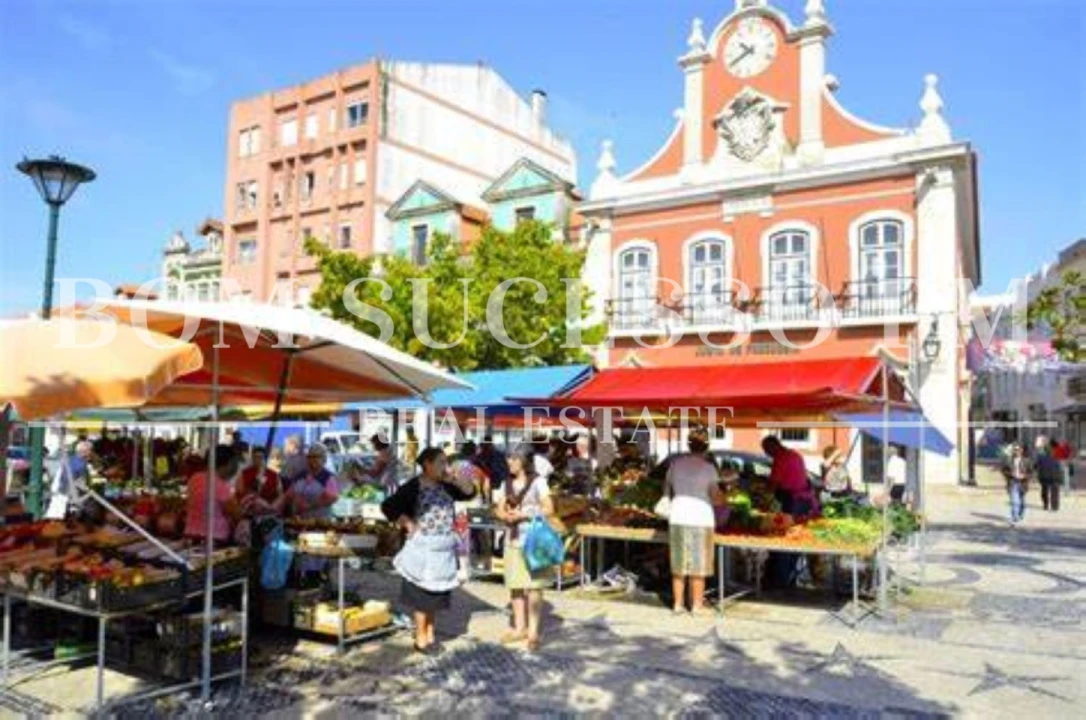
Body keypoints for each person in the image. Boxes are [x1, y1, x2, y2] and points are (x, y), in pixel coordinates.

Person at [381, 447, 477, 654]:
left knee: (436, 595)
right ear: (427, 464)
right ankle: (421, 638)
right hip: (422, 550)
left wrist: (458, 478)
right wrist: (406, 522)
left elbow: (470, 493)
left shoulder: (447, 486)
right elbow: (388, 506)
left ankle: (430, 631)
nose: (445, 466)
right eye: (441, 462)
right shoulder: (413, 487)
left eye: (446, 462)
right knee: (422, 596)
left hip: (442, 550)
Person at [493, 445, 554, 651]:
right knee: (516, 585)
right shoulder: (505, 484)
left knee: (535, 586)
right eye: (508, 458)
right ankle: (519, 627)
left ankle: (533, 631)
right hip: (512, 539)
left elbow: (549, 508)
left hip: (534, 539)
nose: (509, 462)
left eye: (513, 459)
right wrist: (506, 516)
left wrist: (525, 515)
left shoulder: (538, 482)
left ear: (524, 461)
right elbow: (499, 509)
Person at [664, 428, 724, 615]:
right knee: (698, 564)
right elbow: (716, 498)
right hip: (701, 517)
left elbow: (668, 486)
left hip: (678, 515)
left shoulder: (675, 465)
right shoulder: (709, 468)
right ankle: (697, 606)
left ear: (689, 445)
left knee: (679, 563)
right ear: (707, 446)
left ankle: (678, 604)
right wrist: (725, 495)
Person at [184, 445, 239, 544]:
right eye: (233, 464)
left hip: (190, 534)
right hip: (215, 538)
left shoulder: (194, 478)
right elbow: (235, 513)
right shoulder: (221, 485)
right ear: (226, 464)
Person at [280, 444, 340, 520]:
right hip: (301, 521)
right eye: (310, 457)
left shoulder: (328, 477)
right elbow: (288, 495)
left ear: (324, 459)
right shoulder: (300, 476)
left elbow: (332, 498)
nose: (312, 459)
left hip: (321, 522)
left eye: (316, 456)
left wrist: (309, 506)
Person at [761, 436, 817, 517]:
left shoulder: (780, 458)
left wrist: (765, 499)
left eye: (766, 449)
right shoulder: (795, 454)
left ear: (773, 446)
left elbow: (774, 483)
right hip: (804, 497)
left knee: (786, 525)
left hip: (790, 499)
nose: (766, 452)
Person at [45, 441, 93, 520]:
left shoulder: (72, 459)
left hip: (62, 491)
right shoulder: (80, 464)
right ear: (84, 451)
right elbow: (77, 480)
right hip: (66, 492)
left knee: (55, 513)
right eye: (90, 450)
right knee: (57, 516)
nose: (91, 452)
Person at [1002, 442, 1031, 526]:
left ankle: (1020, 514)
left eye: (1018, 449)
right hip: (1013, 482)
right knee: (1014, 501)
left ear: (1021, 450)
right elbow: (1004, 470)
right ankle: (1014, 517)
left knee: (1022, 502)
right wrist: (1011, 474)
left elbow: (1031, 472)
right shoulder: (1009, 460)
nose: (1016, 451)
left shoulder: (1026, 461)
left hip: (1022, 483)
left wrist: (1024, 476)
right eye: (1015, 450)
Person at [1037, 437, 1062, 512]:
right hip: (1054, 476)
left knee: (1045, 491)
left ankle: (1046, 504)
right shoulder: (1057, 456)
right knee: (1055, 492)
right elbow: (1060, 467)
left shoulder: (1041, 456)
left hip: (1045, 477)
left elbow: (1036, 466)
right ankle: (1054, 507)